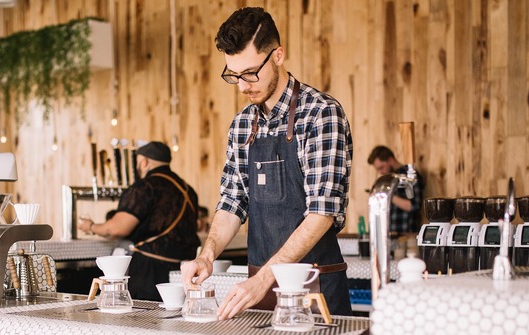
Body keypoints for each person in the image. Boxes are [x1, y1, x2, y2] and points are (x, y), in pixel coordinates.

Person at [180, 7, 354, 319]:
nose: (243, 86)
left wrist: (264, 278)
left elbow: (322, 213)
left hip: (314, 290)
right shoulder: (243, 124)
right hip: (259, 291)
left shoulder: (321, 114)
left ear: (277, 55)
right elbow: (233, 201)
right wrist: (206, 256)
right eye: (233, 76)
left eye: (250, 73)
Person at [78, 141, 200, 301]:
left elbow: (115, 229)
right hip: (184, 271)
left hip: (151, 272)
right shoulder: (187, 189)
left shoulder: (146, 187)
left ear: (144, 162)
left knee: (145, 320)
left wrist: (91, 226)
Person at [368, 145, 425, 232]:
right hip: (387, 235)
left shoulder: (409, 176)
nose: (380, 172)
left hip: (407, 234)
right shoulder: (386, 179)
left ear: (390, 160)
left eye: (381, 167)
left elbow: (414, 206)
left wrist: (387, 195)